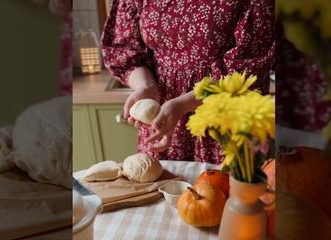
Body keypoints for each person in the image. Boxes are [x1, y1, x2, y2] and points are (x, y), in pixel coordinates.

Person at [102, 0, 274, 164]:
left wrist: (182, 104)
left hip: (225, 119)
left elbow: (248, 69)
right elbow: (125, 48)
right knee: (160, 190)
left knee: (225, 189)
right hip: (162, 118)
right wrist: (145, 85)